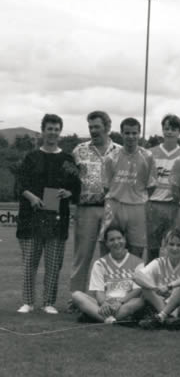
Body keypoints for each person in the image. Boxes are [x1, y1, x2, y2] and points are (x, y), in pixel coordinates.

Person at [16, 114, 80, 314]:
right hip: (31, 216)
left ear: (60, 132)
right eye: (49, 128)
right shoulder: (31, 157)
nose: (52, 132)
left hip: (57, 218)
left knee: (53, 263)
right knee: (30, 262)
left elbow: (77, 186)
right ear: (43, 131)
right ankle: (28, 301)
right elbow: (20, 185)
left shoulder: (67, 159)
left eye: (56, 129)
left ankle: (49, 303)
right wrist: (32, 197)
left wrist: (68, 192)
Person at [69, 110, 120, 303]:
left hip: (111, 208)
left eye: (97, 127)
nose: (93, 131)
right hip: (86, 208)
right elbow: (70, 180)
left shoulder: (119, 151)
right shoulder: (78, 150)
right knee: (82, 256)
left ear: (107, 127)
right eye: (90, 127)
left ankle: (110, 299)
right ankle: (76, 299)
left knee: (109, 256)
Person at [102, 117, 157, 258]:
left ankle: (134, 280)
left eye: (134, 133)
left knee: (137, 250)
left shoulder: (148, 157)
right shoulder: (111, 157)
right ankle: (109, 279)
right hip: (115, 205)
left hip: (137, 207)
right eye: (127, 133)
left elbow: (151, 186)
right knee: (108, 247)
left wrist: (138, 197)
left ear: (139, 133)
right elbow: (106, 187)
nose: (131, 137)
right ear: (121, 133)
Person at [71, 225, 145, 323]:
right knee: (77, 295)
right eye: (112, 240)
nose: (116, 242)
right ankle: (112, 319)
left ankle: (96, 316)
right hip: (106, 304)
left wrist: (120, 302)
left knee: (141, 300)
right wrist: (104, 303)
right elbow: (99, 291)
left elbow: (137, 290)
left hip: (126, 303)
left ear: (125, 240)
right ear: (106, 243)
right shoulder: (100, 264)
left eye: (119, 238)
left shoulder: (138, 262)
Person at [135, 229, 180, 328]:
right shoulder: (159, 262)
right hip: (160, 302)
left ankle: (162, 317)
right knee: (145, 287)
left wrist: (169, 286)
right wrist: (155, 288)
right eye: (171, 244)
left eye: (179, 245)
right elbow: (136, 276)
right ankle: (168, 318)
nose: (174, 248)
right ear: (165, 246)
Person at [147, 114, 180, 261]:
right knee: (152, 247)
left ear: (179, 132)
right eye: (167, 128)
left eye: (174, 129)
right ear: (163, 130)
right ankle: (149, 279)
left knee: (174, 246)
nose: (170, 132)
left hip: (174, 206)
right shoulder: (150, 153)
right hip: (153, 205)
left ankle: (171, 278)